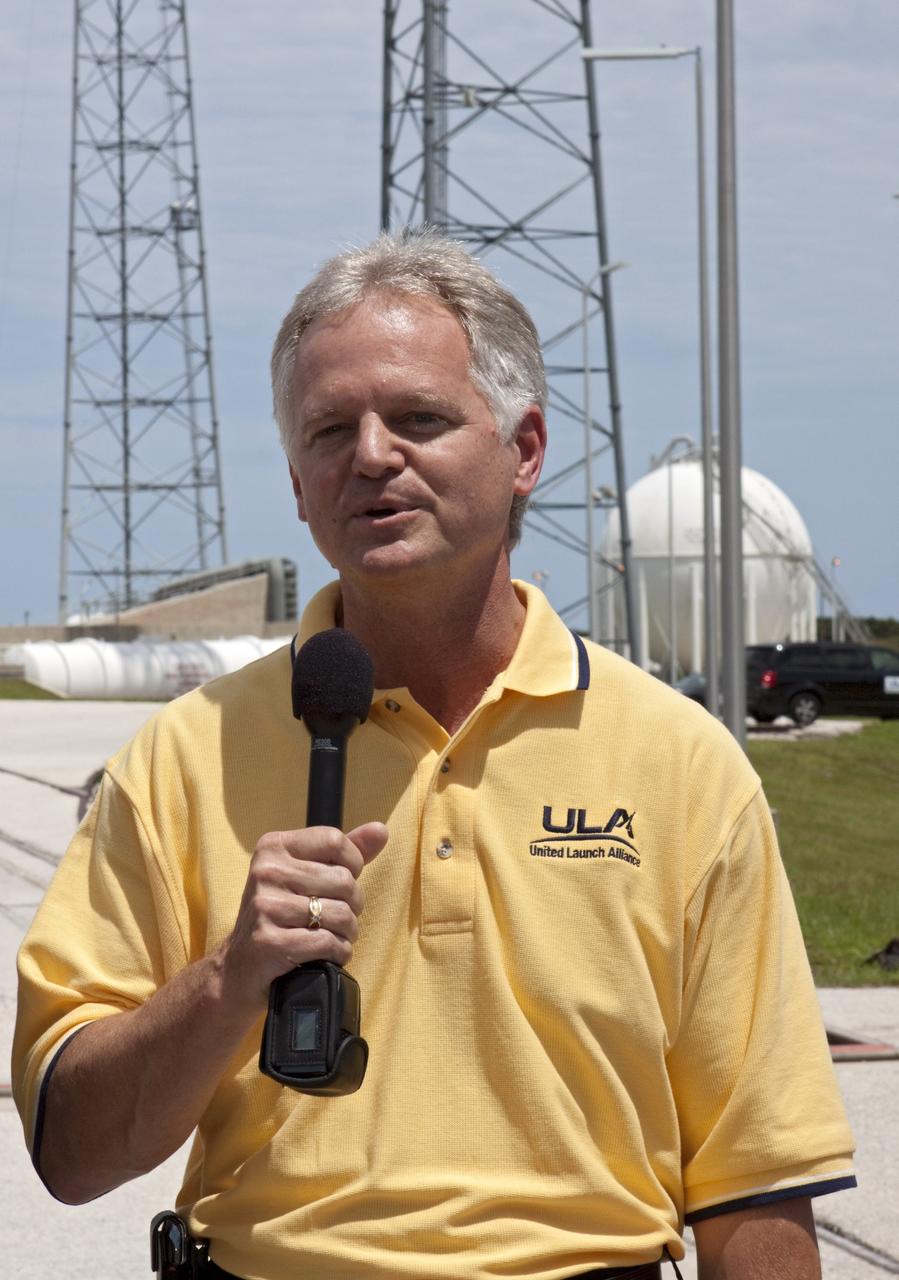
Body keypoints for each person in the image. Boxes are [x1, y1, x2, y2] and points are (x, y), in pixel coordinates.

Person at [14, 228, 855, 1280]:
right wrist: (230, 978)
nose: (370, 455)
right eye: (330, 429)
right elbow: (71, 1150)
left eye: (418, 418)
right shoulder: (183, 758)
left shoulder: (679, 763)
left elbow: (756, 1179)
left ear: (525, 450)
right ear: (296, 483)